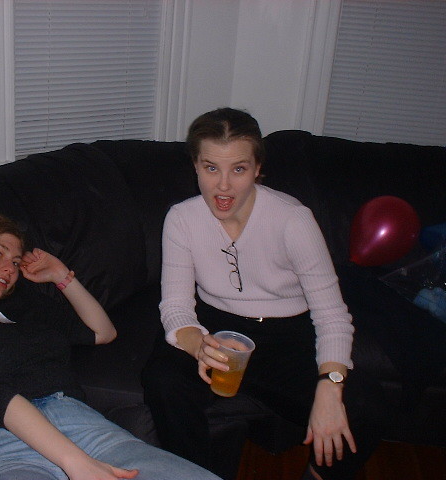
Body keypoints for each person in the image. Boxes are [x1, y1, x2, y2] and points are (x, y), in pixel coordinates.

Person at [141, 108, 389, 480]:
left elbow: (332, 315)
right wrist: (198, 344)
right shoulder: (181, 218)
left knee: (367, 407)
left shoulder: (293, 220)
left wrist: (330, 386)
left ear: (258, 169)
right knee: (163, 381)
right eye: (211, 168)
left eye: (238, 169)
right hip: (214, 326)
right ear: (195, 166)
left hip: (285, 333)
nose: (223, 186)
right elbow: (176, 305)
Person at [0, 212, 222, 480]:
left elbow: (102, 332)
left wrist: (61, 276)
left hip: (83, 427)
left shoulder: (24, 305)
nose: (9, 268)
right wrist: (76, 462)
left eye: (15, 261)